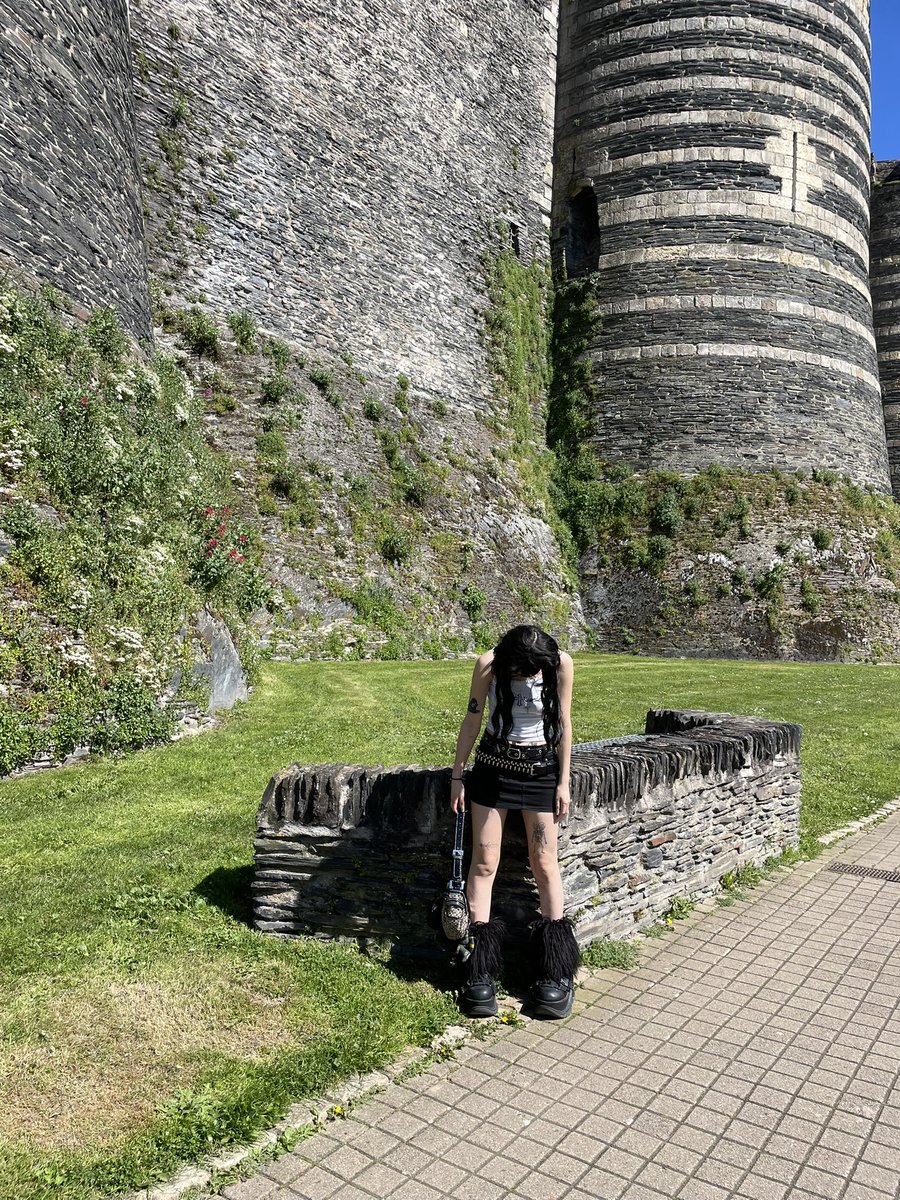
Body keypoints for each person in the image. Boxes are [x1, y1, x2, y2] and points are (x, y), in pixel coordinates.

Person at [449, 624, 580, 1020]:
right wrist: (458, 775)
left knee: (544, 865)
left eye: (533, 672)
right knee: (484, 864)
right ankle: (478, 970)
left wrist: (563, 781)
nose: (528, 677)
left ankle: (555, 973)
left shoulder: (560, 664)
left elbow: (565, 724)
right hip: (492, 770)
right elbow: (473, 718)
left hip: (540, 773)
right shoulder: (488, 665)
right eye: (521, 672)